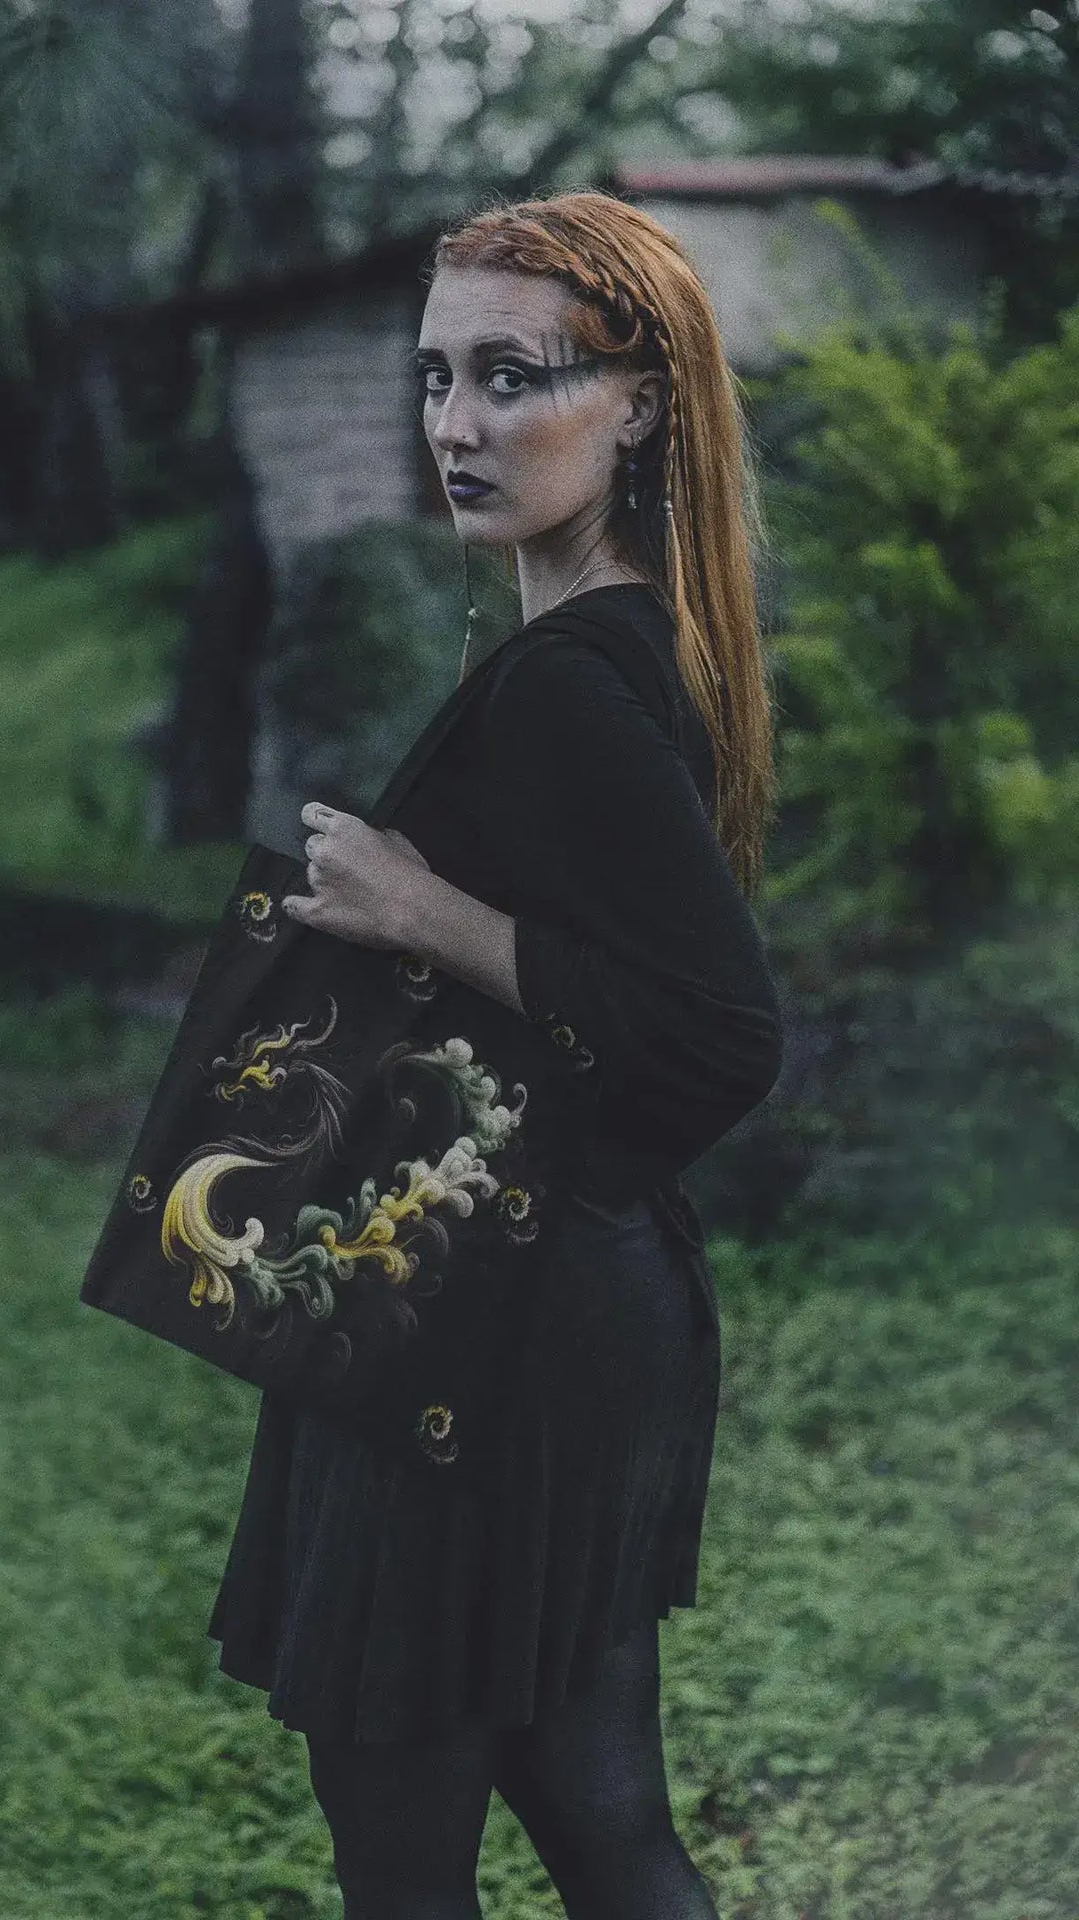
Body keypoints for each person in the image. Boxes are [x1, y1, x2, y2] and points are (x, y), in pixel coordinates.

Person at [206, 189, 784, 1919]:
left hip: (481, 1347)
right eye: (434, 377)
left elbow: (720, 1033)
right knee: (605, 1821)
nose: (456, 426)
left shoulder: (570, 687)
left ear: (644, 404)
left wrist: (418, 911)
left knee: (407, 1868)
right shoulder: (629, 650)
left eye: (512, 377)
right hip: (567, 1314)